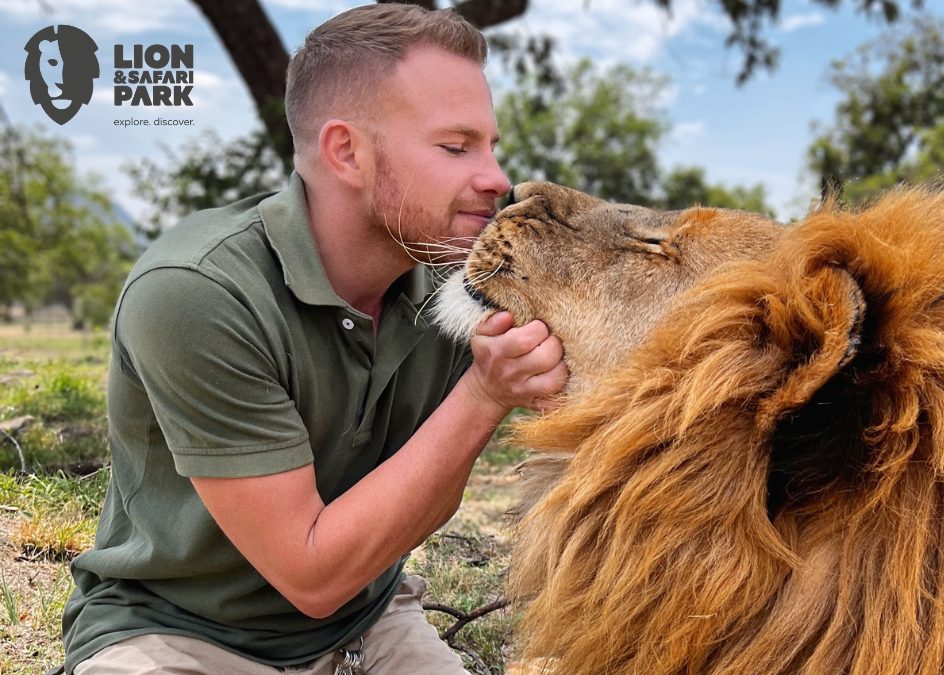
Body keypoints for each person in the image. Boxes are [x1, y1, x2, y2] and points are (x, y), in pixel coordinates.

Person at [60, 4, 567, 673]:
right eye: (456, 147)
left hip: (368, 624)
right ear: (346, 151)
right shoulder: (196, 291)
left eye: (491, 146)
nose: (497, 178)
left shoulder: (457, 284)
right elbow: (313, 576)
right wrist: (484, 395)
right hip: (180, 635)